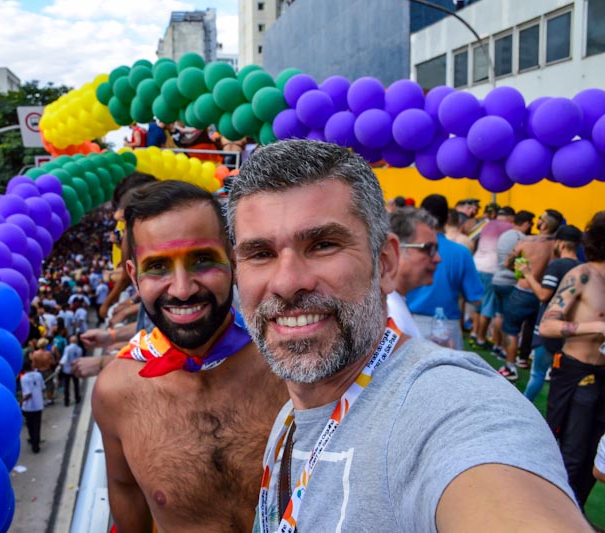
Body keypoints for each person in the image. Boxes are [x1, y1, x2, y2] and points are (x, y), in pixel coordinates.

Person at [227, 140, 585, 532]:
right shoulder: (292, 413)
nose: (287, 282)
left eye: (323, 245)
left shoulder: (451, 408)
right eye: (260, 253)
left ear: (387, 263)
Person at [92, 180, 288, 532]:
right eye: (158, 267)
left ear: (232, 259)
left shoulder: (287, 360)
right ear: (134, 277)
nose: (182, 289)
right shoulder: (115, 392)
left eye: (202, 260)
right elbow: (125, 490)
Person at [539, 211, 605, 509]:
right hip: (576, 374)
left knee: (596, 458)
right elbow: (548, 326)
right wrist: (596, 327)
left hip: (602, 380)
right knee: (571, 455)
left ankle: (575, 516)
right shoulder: (583, 275)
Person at [406, 194, 484, 349]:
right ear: (447, 217)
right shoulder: (461, 252)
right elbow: (476, 298)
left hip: (409, 323)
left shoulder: (406, 249)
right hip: (447, 326)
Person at [519, 225, 582, 402]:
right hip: (569, 332)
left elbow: (543, 294)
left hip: (548, 329)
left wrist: (527, 274)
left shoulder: (557, 266)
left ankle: (524, 405)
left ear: (560, 244)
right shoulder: (583, 268)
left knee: (537, 374)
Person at [499, 208, 564, 380]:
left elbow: (507, 263)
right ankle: (528, 361)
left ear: (542, 224)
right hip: (546, 294)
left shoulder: (526, 242)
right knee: (536, 329)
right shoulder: (559, 246)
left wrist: (521, 268)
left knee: (511, 329)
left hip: (523, 291)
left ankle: (510, 367)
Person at [386, 207, 441, 338]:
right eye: (428, 248)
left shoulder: (390, 303)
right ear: (394, 250)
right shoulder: (388, 315)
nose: (438, 258)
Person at [489, 210, 535, 357]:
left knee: (499, 314)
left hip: (497, 278)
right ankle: (505, 349)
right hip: (510, 281)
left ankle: (497, 344)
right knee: (509, 321)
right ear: (526, 224)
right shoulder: (521, 239)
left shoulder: (505, 234)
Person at [472, 207, 516, 348]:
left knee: (478, 303)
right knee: (488, 305)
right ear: (510, 217)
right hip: (491, 268)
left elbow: (472, 238)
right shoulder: (510, 228)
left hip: (477, 264)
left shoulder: (487, 224)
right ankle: (481, 338)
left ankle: (474, 332)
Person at [20, 360, 45, 453]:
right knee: (37, 425)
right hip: (39, 404)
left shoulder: (24, 378)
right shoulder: (38, 375)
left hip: (29, 406)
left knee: (30, 425)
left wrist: (21, 401)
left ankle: (32, 440)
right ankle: (36, 443)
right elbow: (43, 388)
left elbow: (28, 394)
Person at [59, 335, 83, 406]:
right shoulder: (79, 349)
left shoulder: (67, 348)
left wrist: (61, 363)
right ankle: (77, 398)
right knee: (76, 384)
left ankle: (67, 400)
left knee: (67, 385)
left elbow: (65, 357)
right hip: (75, 369)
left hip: (67, 369)